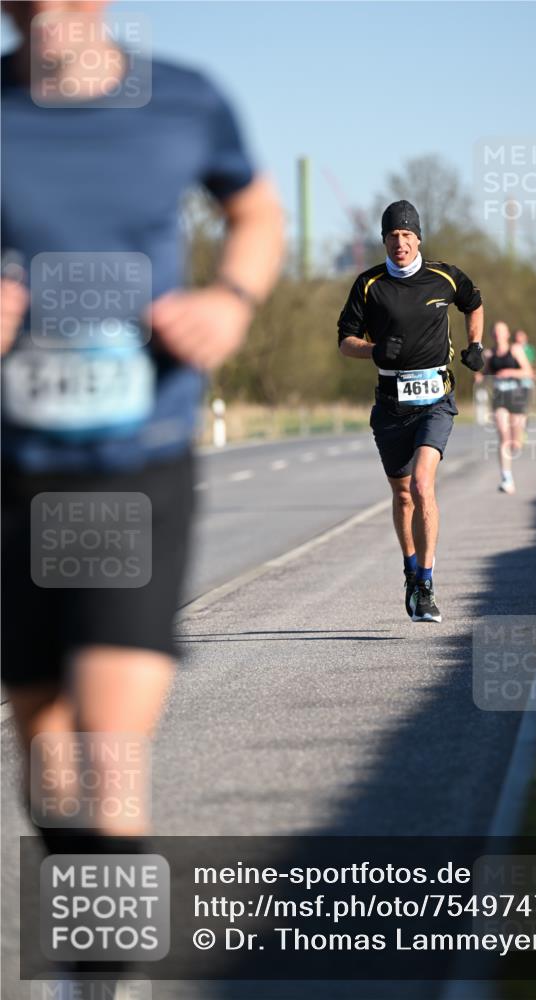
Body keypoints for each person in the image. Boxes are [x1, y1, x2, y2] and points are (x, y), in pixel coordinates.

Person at [1, 0, 284, 859]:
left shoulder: (187, 102)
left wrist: (228, 302)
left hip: (137, 464)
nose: (48, 10)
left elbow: (257, 213)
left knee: (110, 756)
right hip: (12, 475)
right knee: (49, 764)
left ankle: (101, 977)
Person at [337, 200, 484, 622]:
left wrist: (475, 345)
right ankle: (410, 570)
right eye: (392, 236)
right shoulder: (368, 284)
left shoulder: (444, 276)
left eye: (406, 235)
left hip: (436, 399)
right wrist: (374, 350)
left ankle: (426, 581)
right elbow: (345, 341)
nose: (400, 243)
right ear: (383, 240)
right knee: (403, 496)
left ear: (418, 237)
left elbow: (474, 302)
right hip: (390, 406)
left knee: (422, 486)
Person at [483, 321, 534, 494]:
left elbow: (529, 372)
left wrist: (510, 373)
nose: (498, 334)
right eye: (495, 331)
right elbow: (485, 374)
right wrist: (480, 376)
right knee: (503, 437)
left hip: (517, 396)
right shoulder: (489, 354)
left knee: (515, 443)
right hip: (499, 398)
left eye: (501, 331)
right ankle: (507, 478)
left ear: (507, 334)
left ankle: (520, 437)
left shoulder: (516, 350)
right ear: (492, 335)